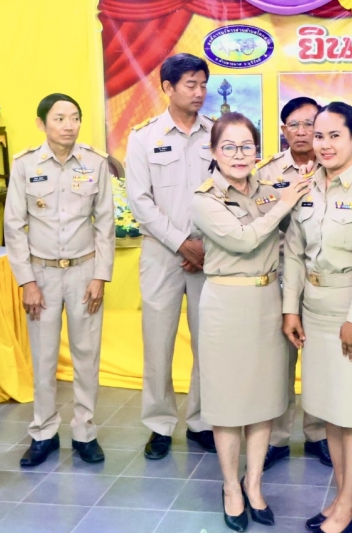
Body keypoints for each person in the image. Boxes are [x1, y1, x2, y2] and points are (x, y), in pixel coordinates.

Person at [192, 112, 310, 531]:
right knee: (227, 405)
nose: (239, 155)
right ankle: (230, 487)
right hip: (226, 304)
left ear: (257, 151)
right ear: (214, 151)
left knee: (264, 401)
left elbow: (294, 237)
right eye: (229, 147)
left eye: (246, 146)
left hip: (267, 301)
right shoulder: (205, 198)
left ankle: (254, 483)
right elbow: (244, 240)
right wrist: (285, 203)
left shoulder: (268, 191)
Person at [283, 102, 352, 533]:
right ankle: (342, 494)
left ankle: (349, 503)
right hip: (315, 309)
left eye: (335, 135)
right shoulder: (306, 186)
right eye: (319, 136)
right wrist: (290, 308)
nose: (325, 144)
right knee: (330, 409)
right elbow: (293, 253)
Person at [4, 93, 115, 467]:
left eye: (75, 117)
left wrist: (100, 276)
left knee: (87, 354)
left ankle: (85, 432)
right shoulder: (24, 165)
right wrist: (27, 282)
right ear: (42, 124)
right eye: (59, 118)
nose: (69, 125)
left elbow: (105, 223)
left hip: (85, 272)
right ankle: (43, 432)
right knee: (43, 356)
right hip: (42, 274)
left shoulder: (95, 162)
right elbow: (14, 227)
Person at [125, 53, 216, 460]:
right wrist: (182, 243)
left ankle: (202, 421)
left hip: (210, 254)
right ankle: (160, 425)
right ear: (168, 87)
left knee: (208, 341)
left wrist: (204, 246)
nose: (199, 92)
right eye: (190, 84)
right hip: (162, 254)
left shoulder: (216, 133)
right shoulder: (144, 137)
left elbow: (231, 190)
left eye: (203, 84)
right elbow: (139, 201)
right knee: (158, 343)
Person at [255, 96, 331, 471]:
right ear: (284, 130)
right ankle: (277, 438)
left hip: (321, 278)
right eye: (294, 125)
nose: (302, 132)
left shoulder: (334, 165)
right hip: (279, 277)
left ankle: (318, 434)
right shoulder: (266, 172)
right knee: (278, 362)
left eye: (310, 124)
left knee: (319, 360)